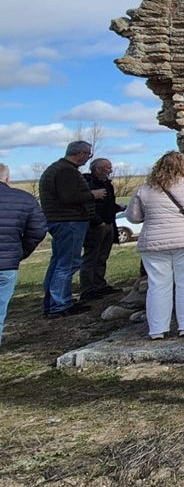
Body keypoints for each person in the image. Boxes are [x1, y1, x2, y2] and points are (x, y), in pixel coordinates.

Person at [125, 150, 184, 339]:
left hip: (154, 241)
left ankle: (157, 329)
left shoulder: (145, 189)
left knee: (158, 285)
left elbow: (133, 217)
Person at [39, 140, 107, 318]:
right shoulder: (66, 171)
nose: (88, 158)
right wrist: (93, 194)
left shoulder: (58, 168)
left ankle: (53, 302)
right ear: (80, 153)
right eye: (88, 154)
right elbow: (68, 196)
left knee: (58, 263)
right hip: (69, 221)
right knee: (67, 264)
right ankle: (60, 304)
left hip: (62, 221)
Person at [0, 163, 48, 349]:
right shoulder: (24, 199)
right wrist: (20, 252)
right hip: (6, 265)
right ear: (7, 179)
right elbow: (37, 230)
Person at [80, 157, 123, 301]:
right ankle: (87, 289)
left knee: (102, 256)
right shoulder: (87, 183)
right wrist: (98, 222)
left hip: (108, 223)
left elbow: (107, 203)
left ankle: (99, 285)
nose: (110, 170)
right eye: (107, 168)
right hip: (96, 226)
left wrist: (119, 208)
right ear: (98, 169)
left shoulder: (106, 183)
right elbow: (86, 206)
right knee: (91, 257)